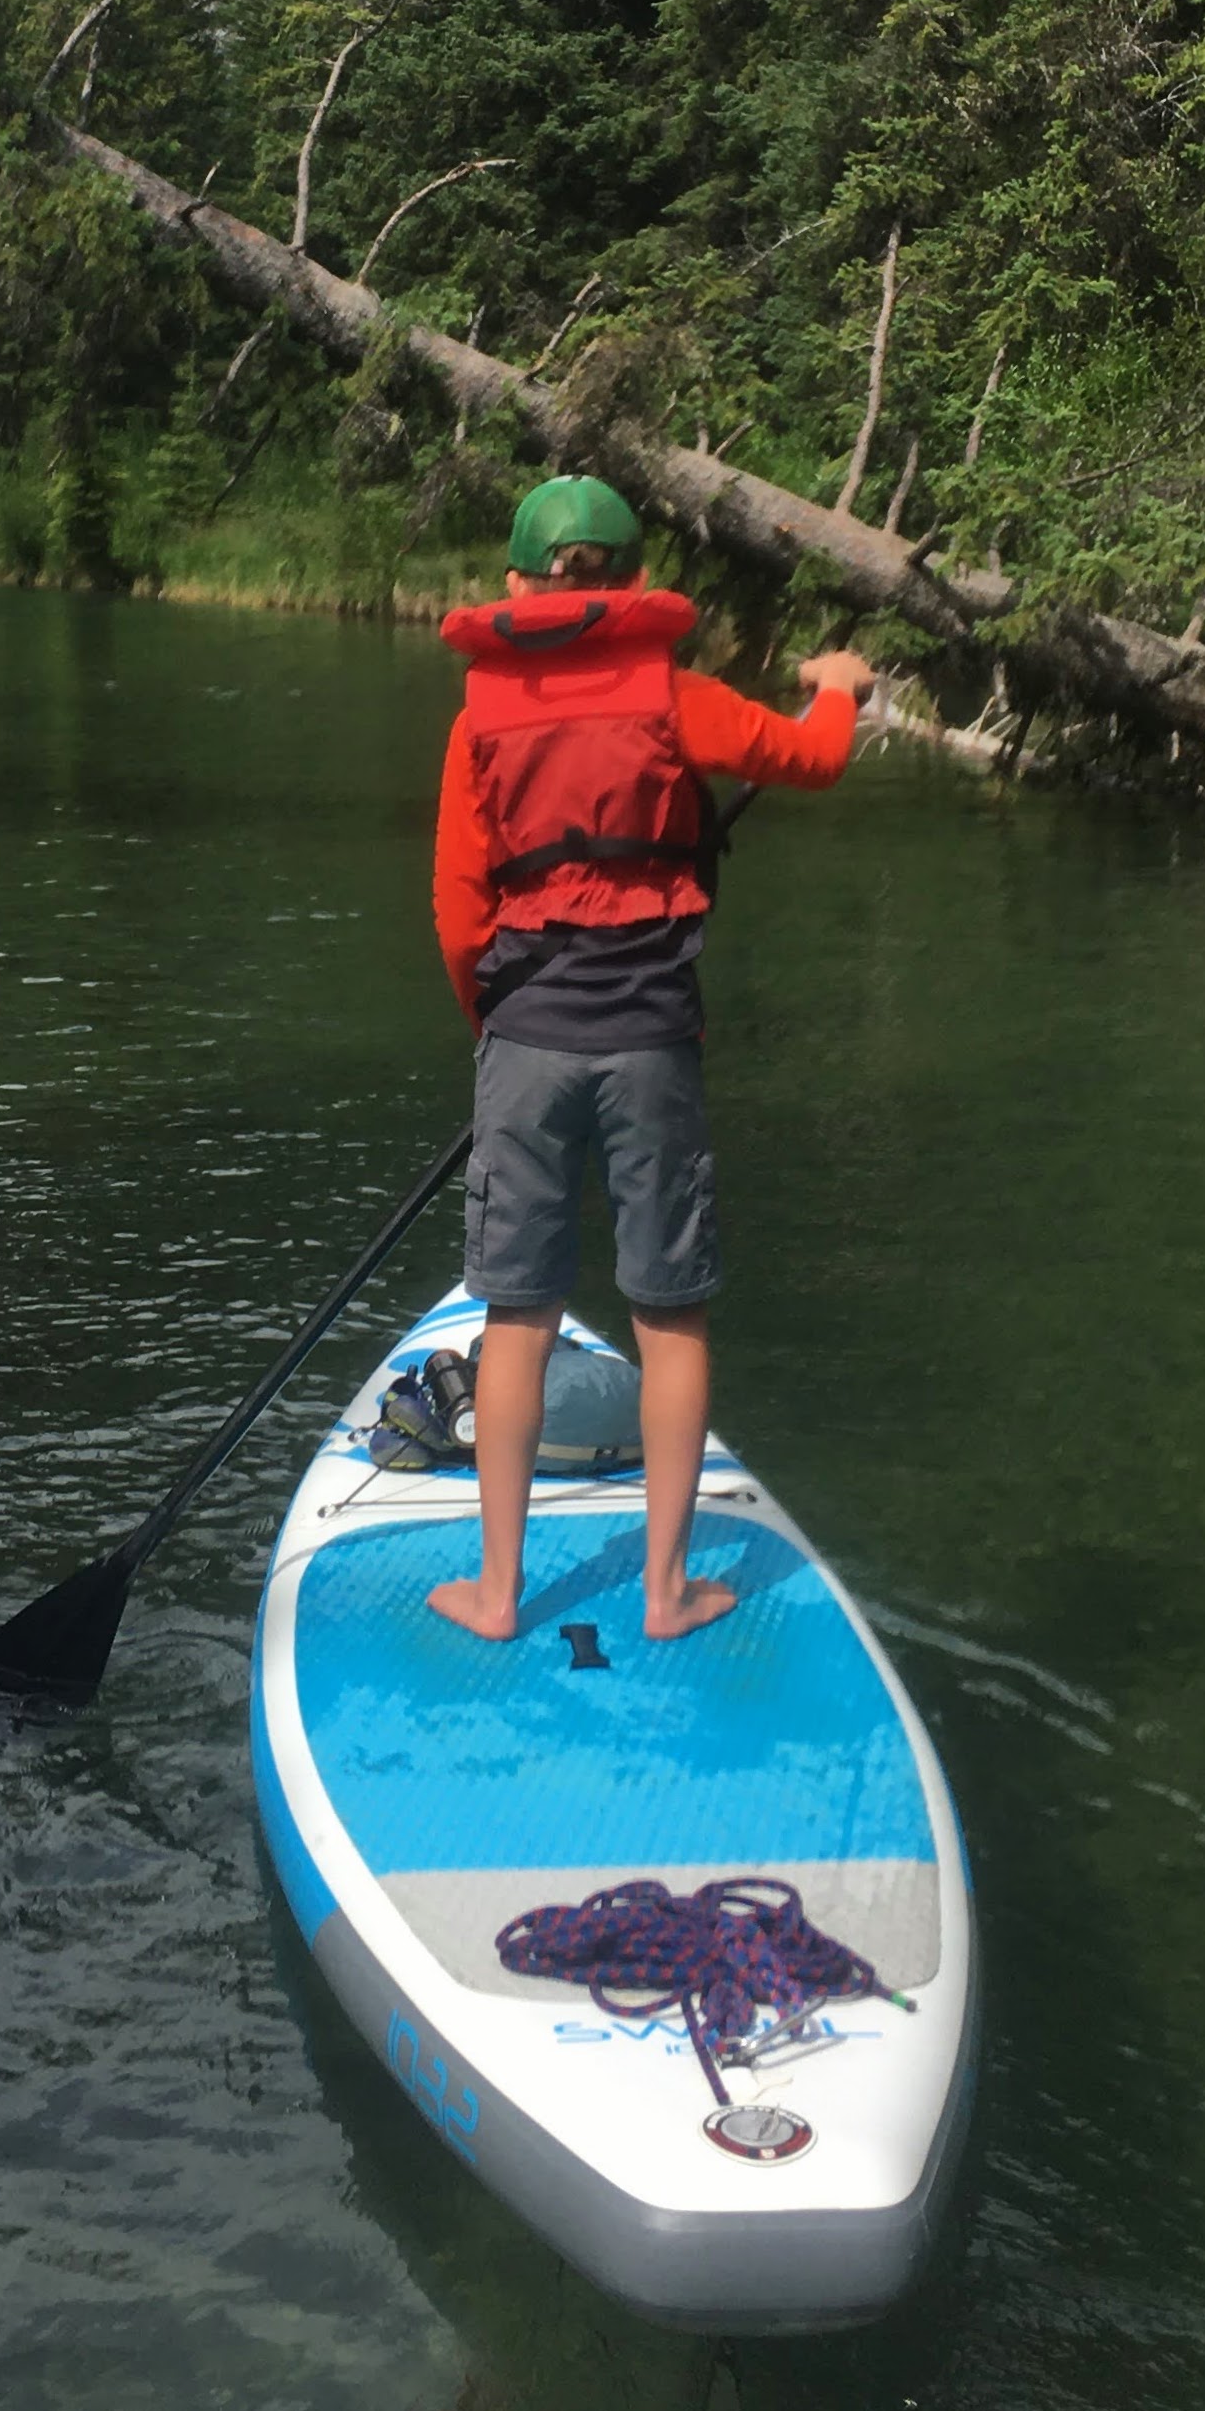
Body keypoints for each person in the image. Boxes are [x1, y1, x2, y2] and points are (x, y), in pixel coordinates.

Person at [426, 475, 874, 1645]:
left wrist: (494, 1027)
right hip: (653, 1046)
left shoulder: (479, 720)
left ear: (516, 588)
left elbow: (457, 911)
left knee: (518, 1316)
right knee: (668, 1313)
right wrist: (839, 692)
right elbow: (809, 760)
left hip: (527, 1039)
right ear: (630, 584)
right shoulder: (676, 697)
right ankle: (669, 1591)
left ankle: (497, 1591)